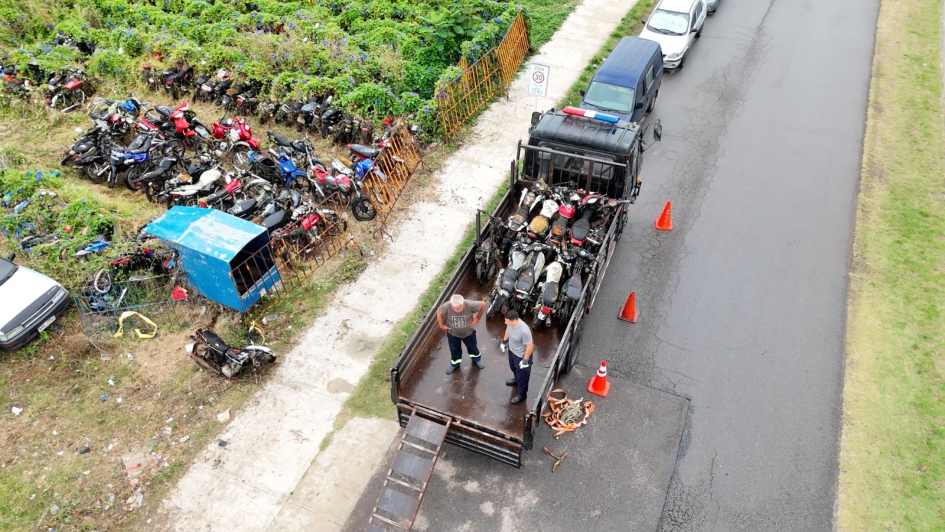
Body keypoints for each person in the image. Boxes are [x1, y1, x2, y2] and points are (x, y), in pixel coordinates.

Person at [437, 294, 486, 374]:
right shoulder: (446, 306)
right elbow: (439, 311)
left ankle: (477, 358)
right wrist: (441, 325)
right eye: (454, 308)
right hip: (452, 334)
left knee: (472, 347)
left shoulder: (470, 304)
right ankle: (455, 363)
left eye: (459, 307)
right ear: (451, 303)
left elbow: (483, 305)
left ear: (463, 303)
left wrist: (477, 318)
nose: (456, 309)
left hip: (468, 333)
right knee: (454, 349)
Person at [500, 310, 533, 404]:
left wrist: (525, 360)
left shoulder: (524, 331)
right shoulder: (510, 324)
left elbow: (529, 346)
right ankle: (516, 379)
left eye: (507, 321)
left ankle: (522, 394)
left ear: (514, 320)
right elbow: (507, 330)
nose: (505, 322)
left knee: (522, 376)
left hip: (521, 356)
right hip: (512, 351)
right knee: (513, 367)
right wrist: (504, 342)